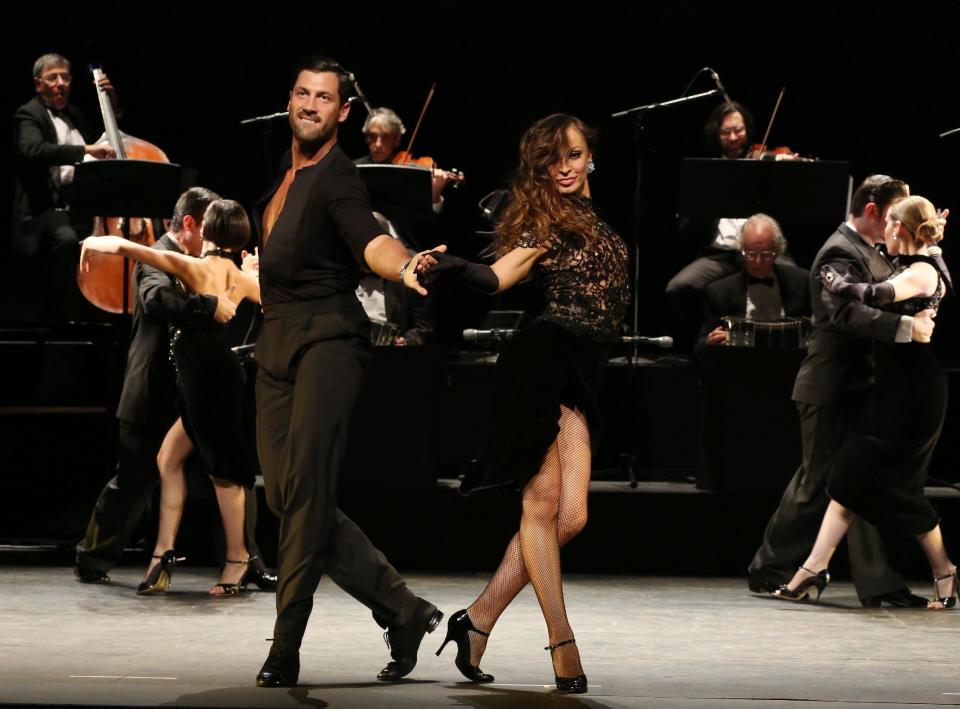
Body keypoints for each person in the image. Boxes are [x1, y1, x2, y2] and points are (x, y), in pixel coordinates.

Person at [252, 56, 444, 687]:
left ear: (342, 111)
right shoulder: (283, 169)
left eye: (324, 97)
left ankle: (285, 646)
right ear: (290, 100)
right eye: (302, 93)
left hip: (328, 343)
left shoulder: (337, 176)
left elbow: (367, 238)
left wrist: (404, 264)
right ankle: (404, 609)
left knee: (304, 495)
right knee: (284, 497)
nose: (311, 105)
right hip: (276, 344)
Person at [425, 113, 629, 694]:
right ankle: (563, 644)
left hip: (578, 378)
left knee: (573, 518)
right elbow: (495, 278)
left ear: (590, 156)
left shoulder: (596, 223)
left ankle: (478, 620)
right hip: (539, 370)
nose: (562, 168)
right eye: (550, 160)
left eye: (571, 155)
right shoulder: (547, 224)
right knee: (540, 509)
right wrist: (443, 264)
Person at [747, 175, 935, 607]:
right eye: (893, 214)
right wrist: (906, 327)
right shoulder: (838, 250)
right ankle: (770, 569)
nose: (898, 224)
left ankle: (878, 583)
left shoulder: (871, 249)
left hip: (859, 387)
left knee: (858, 483)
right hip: (829, 385)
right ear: (871, 211)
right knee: (817, 482)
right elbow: (847, 314)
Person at [74, 187, 275, 591]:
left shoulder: (198, 265)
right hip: (166, 384)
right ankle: (131, 556)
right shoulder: (193, 265)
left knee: (227, 473)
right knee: (152, 468)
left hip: (205, 380)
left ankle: (240, 560)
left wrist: (92, 241)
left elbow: (126, 247)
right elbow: (154, 299)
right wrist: (230, 291)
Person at [12, 53, 117, 320]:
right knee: (67, 239)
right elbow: (33, 149)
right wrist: (85, 150)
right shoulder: (28, 113)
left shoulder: (75, 115)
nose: (61, 83)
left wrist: (110, 101)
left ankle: (101, 310)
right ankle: (65, 318)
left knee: (109, 243)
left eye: (65, 77)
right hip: (45, 208)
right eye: (52, 77)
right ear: (38, 84)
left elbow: (108, 134)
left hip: (81, 207)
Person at [698, 213, 810, 348]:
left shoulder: (802, 283)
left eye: (766, 255)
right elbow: (699, 345)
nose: (758, 261)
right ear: (742, 251)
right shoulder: (718, 292)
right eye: (751, 254)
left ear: (777, 252)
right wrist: (709, 342)